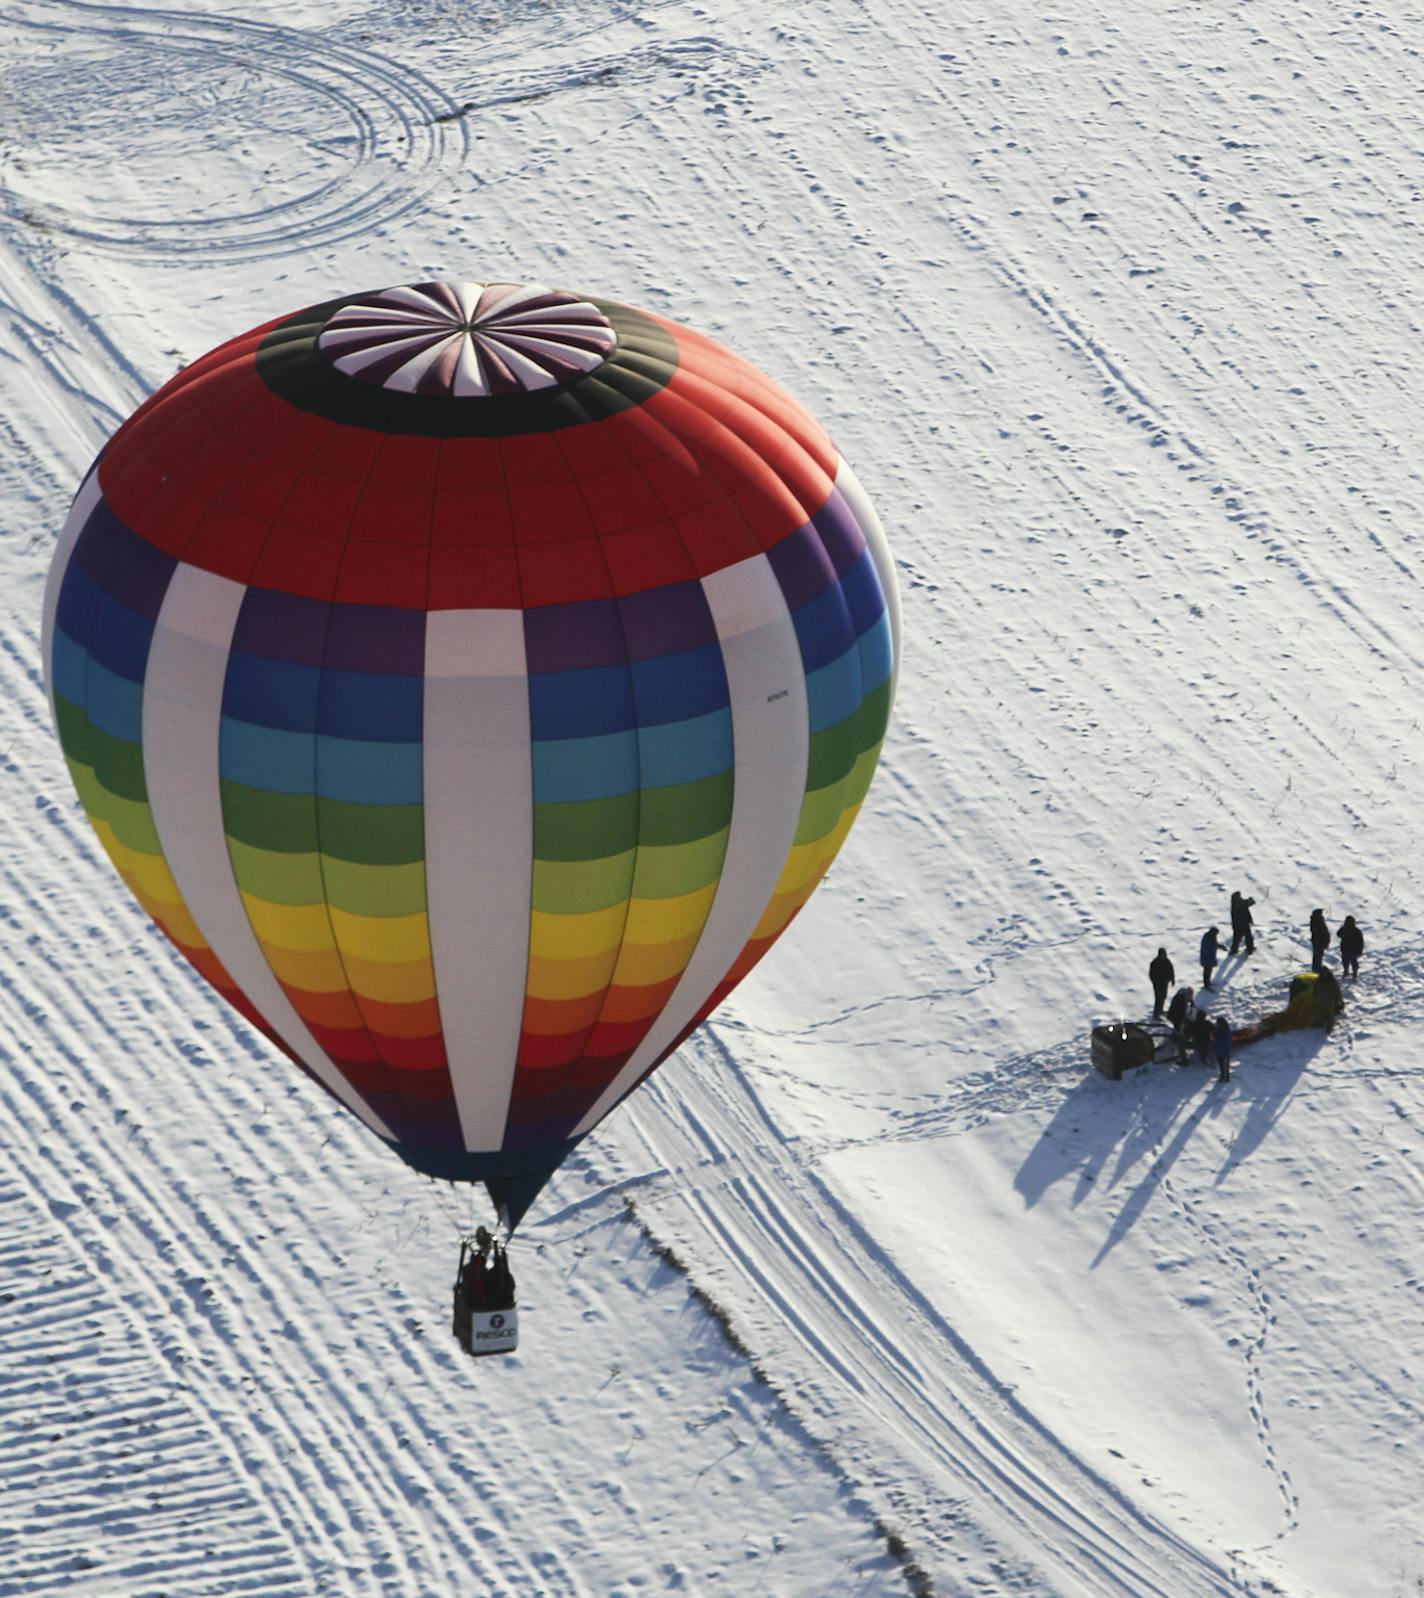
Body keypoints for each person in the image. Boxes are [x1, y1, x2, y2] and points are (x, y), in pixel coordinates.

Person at [1149, 948, 1175, 1017]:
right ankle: (1156, 1013)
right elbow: (1151, 974)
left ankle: (1160, 1010)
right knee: (1158, 997)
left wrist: (1172, 980)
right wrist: (1154, 981)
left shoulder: (1167, 961)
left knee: (1163, 996)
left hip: (1165, 983)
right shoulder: (1154, 963)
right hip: (1157, 983)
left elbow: (1171, 970)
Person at [1229, 891, 1256, 957]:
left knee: (1237, 938)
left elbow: (1246, 903)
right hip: (1244, 924)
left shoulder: (1234, 904)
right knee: (1248, 937)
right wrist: (1250, 900)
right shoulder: (1240, 904)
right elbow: (1250, 903)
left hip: (1236, 925)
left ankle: (1233, 950)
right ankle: (1250, 949)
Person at [1338, 915, 1364, 979]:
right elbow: (1361, 942)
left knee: (1347, 961)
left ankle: (1347, 971)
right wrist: (1360, 950)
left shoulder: (1345, 929)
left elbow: (1338, 934)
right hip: (1352, 950)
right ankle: (1353, 972)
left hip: (1347, 949)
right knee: (1352, 961)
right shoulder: (1356, 930)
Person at [1309, 909, 1331, 973]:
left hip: (1318, 941)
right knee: (1318, 955)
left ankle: (1316, 967)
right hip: (1319, 941)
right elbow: (1321, 932)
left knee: (1318, 955)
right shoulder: (1317, 921)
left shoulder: (1316, 920)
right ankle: (1317, 968)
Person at [1213, 1016, 1233, 1083]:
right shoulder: (1217, 1030)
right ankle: (1222, 1076)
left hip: (1224, 1052)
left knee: (1224, 1066)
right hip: (1218, 1051)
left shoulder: (1227, 1031)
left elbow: (1227, 1042)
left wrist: (1218, 1038)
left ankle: (1225, 1078)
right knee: (1221, 1065)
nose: (1218, 1025)